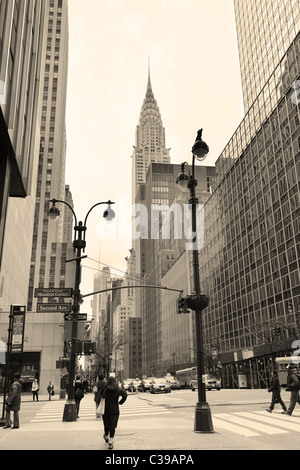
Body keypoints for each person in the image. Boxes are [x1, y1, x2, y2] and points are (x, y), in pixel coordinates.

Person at [100, 375, 127, 449]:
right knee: (113, 425)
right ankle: (111, 442)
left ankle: (106, 435)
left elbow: (100, 394)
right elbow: (125, 395)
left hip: (106, 409)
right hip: (114, 409)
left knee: (106, 424)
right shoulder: (118, 389)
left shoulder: (105, 388)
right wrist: (120, 402)